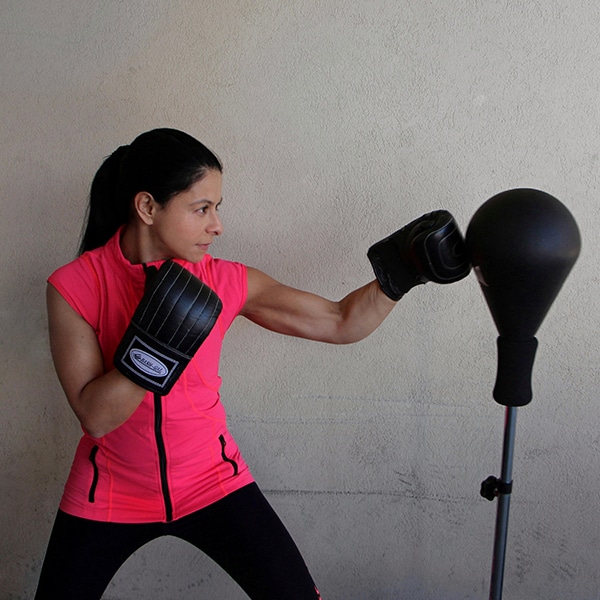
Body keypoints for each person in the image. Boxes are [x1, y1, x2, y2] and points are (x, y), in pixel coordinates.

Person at [35, 128, 470, 600]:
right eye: (201, 209)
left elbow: (339, 321)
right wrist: (156, 344)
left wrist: (399, 275)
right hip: (108, 491)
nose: (217, 226)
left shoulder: (225, 282)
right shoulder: (74, 286)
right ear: (147, 207)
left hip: (212, 481)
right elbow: (96, 417)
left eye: (217, 208)